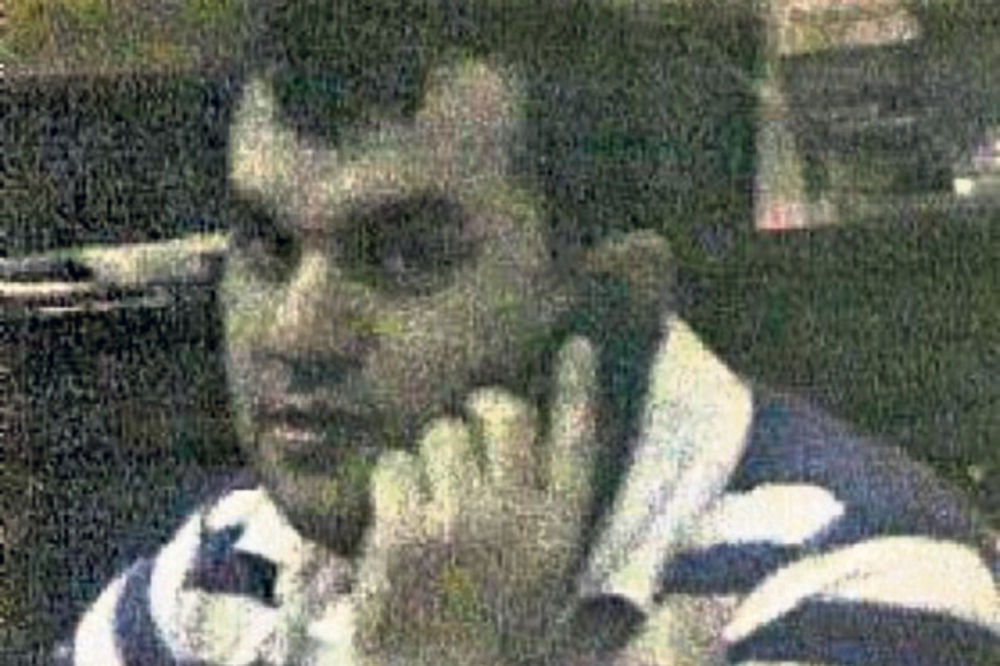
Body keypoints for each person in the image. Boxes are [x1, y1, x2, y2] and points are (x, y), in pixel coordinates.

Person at [65, 2, 998, 664]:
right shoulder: (221, 571)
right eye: (268, 246)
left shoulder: (872, 585)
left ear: (614, 304)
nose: (296, 332)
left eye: (406, 257)